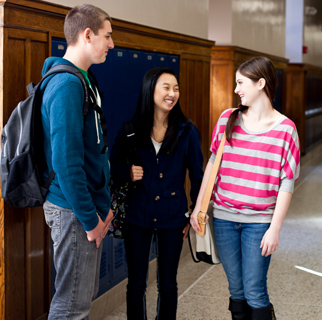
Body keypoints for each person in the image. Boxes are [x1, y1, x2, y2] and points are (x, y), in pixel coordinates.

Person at [191, 56, 300, 320]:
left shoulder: (286, 129)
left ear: (261, 83)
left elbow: (287, 183)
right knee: (236, 290)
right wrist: (198, 208)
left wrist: (275, 229)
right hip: (225, 218)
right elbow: (213, 164)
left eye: (241, 83)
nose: (236, 89)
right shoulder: (228, 119)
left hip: (260, 222)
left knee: (254, 291)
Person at [110, 67, 204, 319]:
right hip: (136, 216)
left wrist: (193, 213)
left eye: (176, 89)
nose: (172, 93)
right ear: (150, 89)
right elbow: (112, 167)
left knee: (168, 283)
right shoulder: (131, 130)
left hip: (173, 217)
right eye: (166, 87)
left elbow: (198, 177)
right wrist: (127, 172)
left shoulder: (187, 131)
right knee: (136, 284)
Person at [40, 4, 114, 319]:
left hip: (84, 210)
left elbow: (93, 151)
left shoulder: (83, 78)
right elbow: (67, 163)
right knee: (71, 306)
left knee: (79, 301)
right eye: (107, 36)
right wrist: (90, 221)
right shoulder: (67, 85)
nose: (112, 44)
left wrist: (103, 205)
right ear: (87, 35)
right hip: (74, 214)